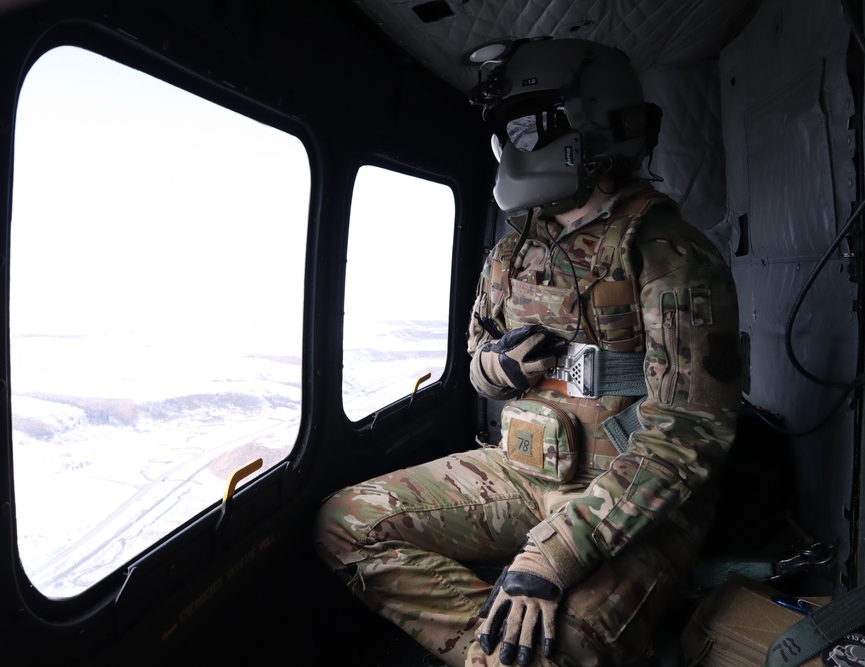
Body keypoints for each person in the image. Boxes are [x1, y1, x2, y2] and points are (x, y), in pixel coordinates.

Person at [314, 37, 741, 667]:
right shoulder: (514, 251)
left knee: (542, 654)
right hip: (522, 469)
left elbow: (688, 435)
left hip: (623, 493)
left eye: (524, 126)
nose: (510, 146)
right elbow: (478, 367)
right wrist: (502, 367)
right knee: (346, 523)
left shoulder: (666, 253)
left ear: (589, 129)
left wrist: (556, 554)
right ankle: (493, 646)